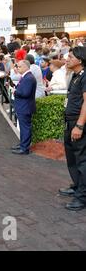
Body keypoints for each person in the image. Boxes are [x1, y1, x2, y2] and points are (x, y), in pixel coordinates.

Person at [60, 47, 86, 211]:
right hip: (70, 123)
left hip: (78, 124)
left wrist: (79, 125)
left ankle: (82, 197)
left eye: (70, 57)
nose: (67, 59)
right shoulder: (76, 76)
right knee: (72, 158)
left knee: (82, 160)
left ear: (80, 60)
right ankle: (77, 186)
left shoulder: (85, 76)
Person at [11, 60, 37, 155]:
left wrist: (15, 92)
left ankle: (24, 148)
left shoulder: (29, 78)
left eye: (19, 66)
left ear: (26, 66)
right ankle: (22, 144)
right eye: (17, 66)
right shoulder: (26, 77)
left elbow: (25, 93)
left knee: (25, 128)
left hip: (25, 107)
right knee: (23, 127)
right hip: (23, 106)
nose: (18, 68)